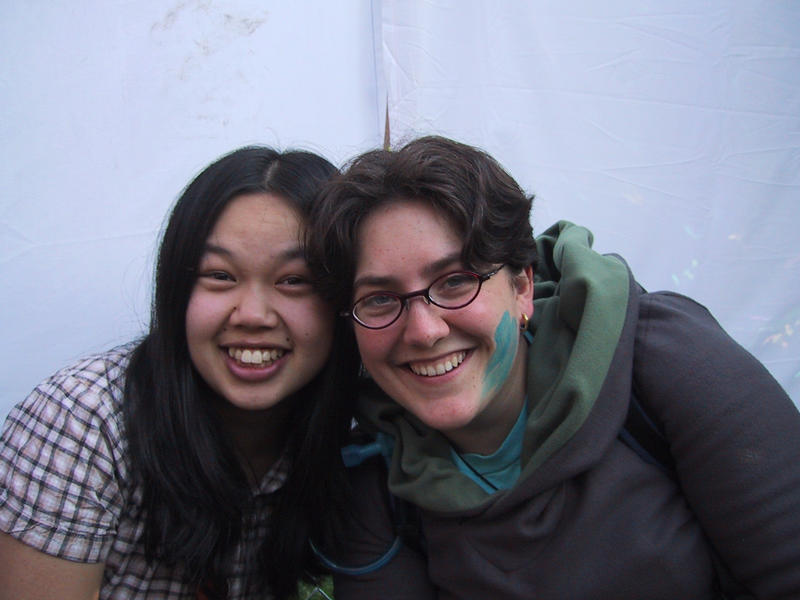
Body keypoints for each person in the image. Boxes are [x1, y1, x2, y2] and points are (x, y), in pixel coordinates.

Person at [306, 135, 800, 599]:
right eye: (379, 299)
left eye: (456, 281)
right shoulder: (374, 480)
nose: (424, 330)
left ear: (522, 287)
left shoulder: (662, 356)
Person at [0, 146, 356, 599]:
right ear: (176, 288)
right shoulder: (81, 423)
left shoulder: (351, 432)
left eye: (294, 280)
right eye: (220, 275)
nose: (252, 315)